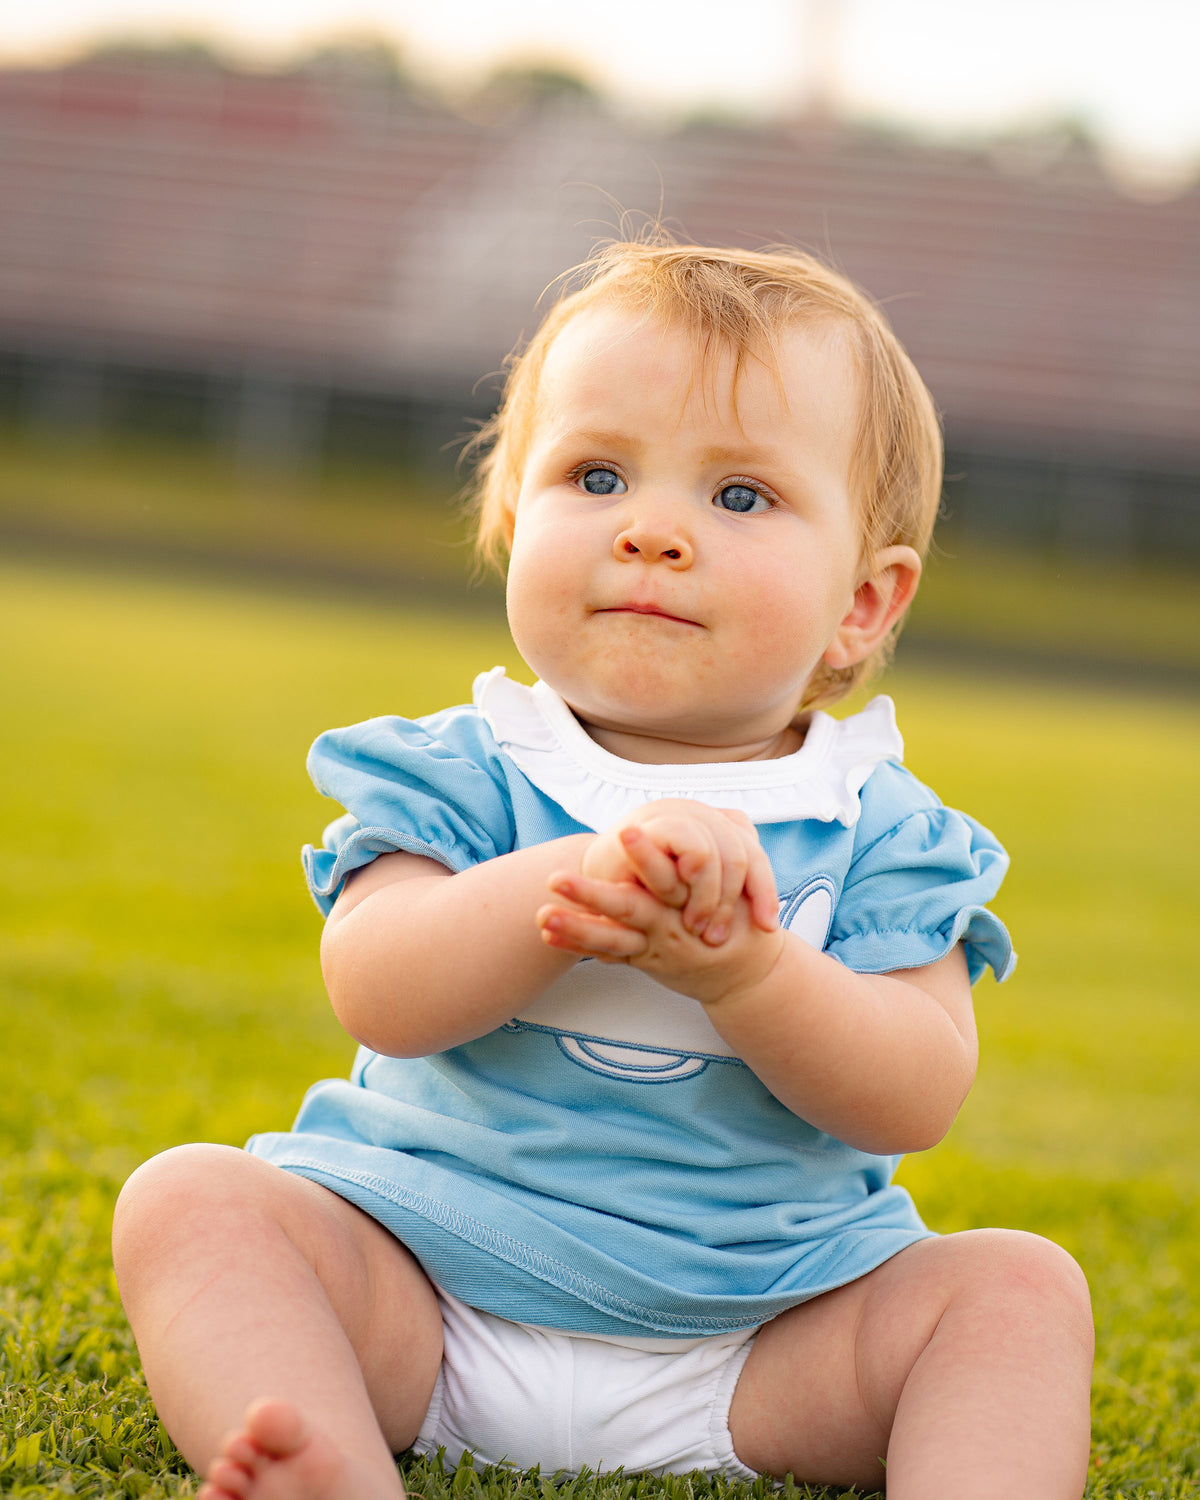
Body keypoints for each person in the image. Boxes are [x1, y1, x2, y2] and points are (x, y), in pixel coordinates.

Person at [112, 239, 1094, 1500]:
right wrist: (565, 886)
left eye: (739, 497)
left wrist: (749, 973)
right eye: (596, 475)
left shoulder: (880, 824)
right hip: (428, 1293)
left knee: (1016, 1288)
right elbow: (379, 990)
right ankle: (339, 1474)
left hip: (762, 1341)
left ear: (864, 601)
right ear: (516, 519)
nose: (652, 532)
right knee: (194, 1201)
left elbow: (913, 1095)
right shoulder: (461, 769)